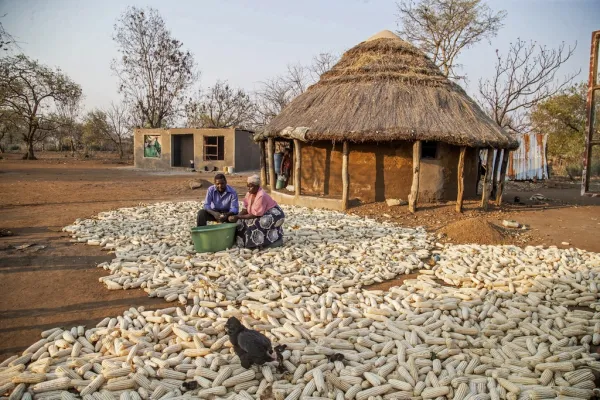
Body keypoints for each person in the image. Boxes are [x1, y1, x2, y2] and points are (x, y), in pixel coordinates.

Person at [232, 175, 285, 249]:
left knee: (257, 223)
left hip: (274, 213)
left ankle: (265, 242)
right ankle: (243, 242)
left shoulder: (261, 195)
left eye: (251, 186)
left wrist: (237, 216)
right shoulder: (248, 194)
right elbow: (245, 209)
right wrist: (237, 217)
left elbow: (254, 215)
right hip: (259, 213)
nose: (249, 188)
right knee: (241, 222)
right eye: (248, 186)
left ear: (257, 186)